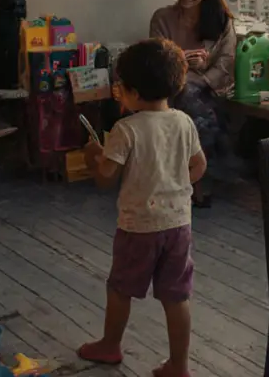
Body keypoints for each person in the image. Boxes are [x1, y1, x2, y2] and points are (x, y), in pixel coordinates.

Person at [77, 38, 206, 377]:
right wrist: (177, 189)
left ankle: (110, 345)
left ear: (131, 91)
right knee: (176, 296)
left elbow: (105, 178)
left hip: (138, 227)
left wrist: (93, 156)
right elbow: (199, 165)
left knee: (121, 287)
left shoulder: (125, 130)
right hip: (178, 224)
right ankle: (179, 365)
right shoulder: (183, 122)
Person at [149, 0, 236, 208]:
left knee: (196, 105)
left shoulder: (221, 23)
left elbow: (226, 64)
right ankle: (198, 181)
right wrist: (183, 60)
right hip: (171, 86)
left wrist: (201, 72)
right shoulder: (162, 17)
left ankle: (191, 179)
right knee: (195, 107)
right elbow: (157, 57)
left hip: (208, 88)